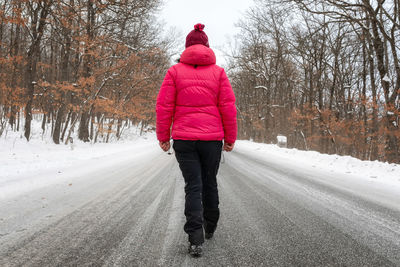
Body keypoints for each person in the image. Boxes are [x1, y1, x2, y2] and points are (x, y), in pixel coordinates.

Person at [156, 23, 237, 257]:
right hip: (212, 140)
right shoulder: (219, 73)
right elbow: (228, 108)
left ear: (186, 47)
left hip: (183, 138)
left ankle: (195, 237)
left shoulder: (174, 72)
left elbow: (164, 106)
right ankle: (210, 225)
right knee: (209, 180)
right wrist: (230, 138)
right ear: (207, 47)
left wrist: (163, 137)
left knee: (193, 185)